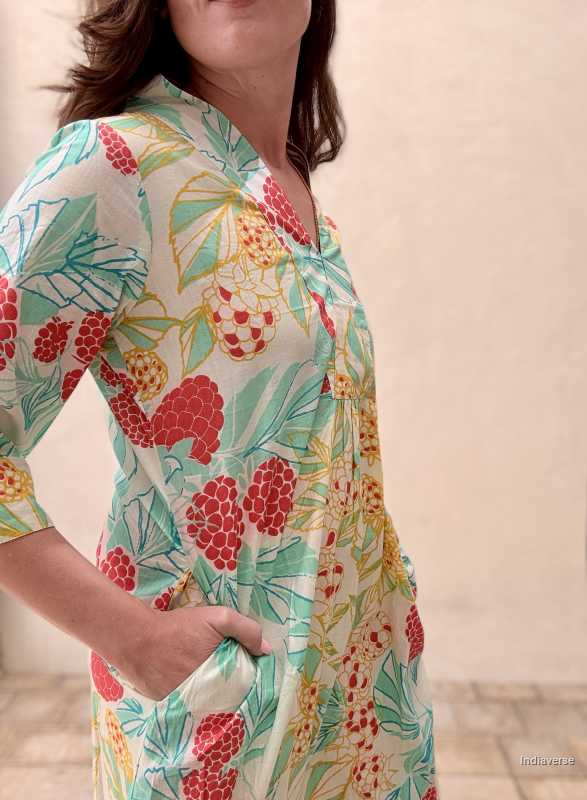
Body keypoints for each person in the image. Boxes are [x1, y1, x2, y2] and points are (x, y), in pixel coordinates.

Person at [0, 1, 438, 798]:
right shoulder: (113, 163)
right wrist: (129, 636)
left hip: (368, 705)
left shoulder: (287, 183)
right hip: (221, 720)